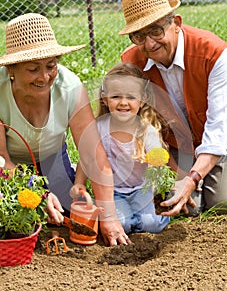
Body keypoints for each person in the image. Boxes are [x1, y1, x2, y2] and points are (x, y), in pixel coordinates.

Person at [0, 13, 130, 246]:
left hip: (52, 159)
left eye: (51, 66)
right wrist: (38, 194)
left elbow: (92, 153)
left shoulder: (69, 87)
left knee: (66, 211)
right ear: (11, 69)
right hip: (8, 167)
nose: (44, 77)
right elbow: (2, 160)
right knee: (13, 219)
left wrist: (109, 215)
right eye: (33, 69)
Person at [118, 0, 227, 217]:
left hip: (225, 142)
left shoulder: (213, 53)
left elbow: (218, 129)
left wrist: (193, 178)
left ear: (176, 23)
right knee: (185, 206)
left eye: (156, 31)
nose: (149, 44)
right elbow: (144, 130)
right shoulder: (131, 65)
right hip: (178, 148)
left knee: (223, 202)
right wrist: (177, 174)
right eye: (139, 36)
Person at [73, 63, 170, 234]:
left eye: (131, 97)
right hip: (113, 192)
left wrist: (156, 173)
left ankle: (153, 217)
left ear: (142, 101)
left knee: (151, 225)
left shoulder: (146, 131)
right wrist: (79, 183)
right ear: (105, 99)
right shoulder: (99, 127)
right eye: (116, 96)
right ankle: (130, 220)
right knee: (123, 224)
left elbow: (158, 163)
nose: (123, 103)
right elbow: (86, 157)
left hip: (141, 189)